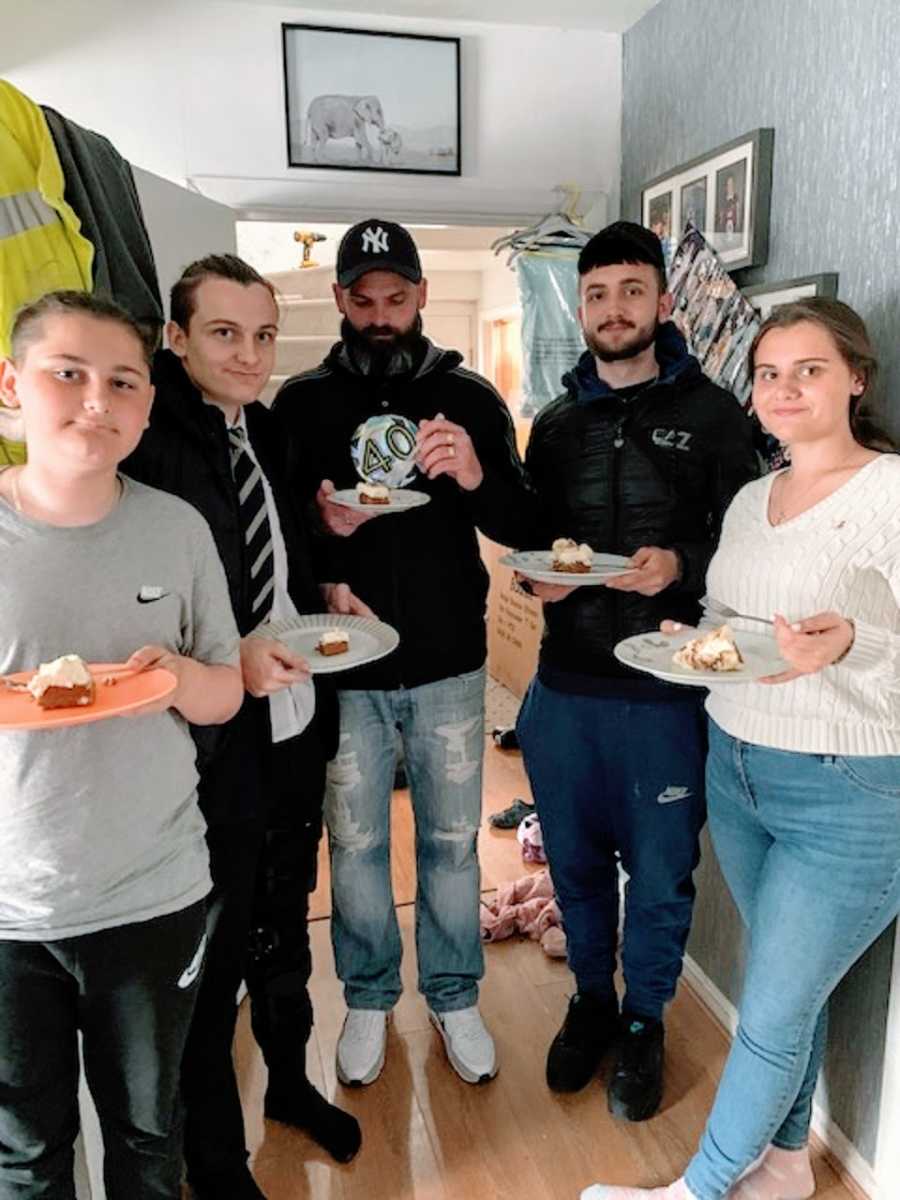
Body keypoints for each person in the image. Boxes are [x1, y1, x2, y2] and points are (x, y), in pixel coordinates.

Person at [581, 299, 900, 1200]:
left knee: (768, 1011)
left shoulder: (892, 494)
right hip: (741, 768)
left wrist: (854, 646)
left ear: (855, 379)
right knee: (782, 989)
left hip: (851, 791)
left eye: (810, 370)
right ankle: (788, 1161)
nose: (787, 388)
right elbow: (735, 622)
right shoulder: (756, 497)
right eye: (770, 373)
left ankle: (699, 1190)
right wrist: (700, 633)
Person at [468, 221, 759, 1121]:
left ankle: (645, 1023)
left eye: (632, 290)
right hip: (565, 692)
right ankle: (593, 1000)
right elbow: (537, 538)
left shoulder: (714, 415)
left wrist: (679, 562)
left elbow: (745, 540)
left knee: (664, 876)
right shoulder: (553, 426)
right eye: (597, 294)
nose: (613, 308)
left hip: (666, 697)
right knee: (579, 869)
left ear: (663, 302)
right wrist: (536, 576)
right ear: (583, 308)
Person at [123, 255, 364, 1200]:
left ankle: (292, 1085)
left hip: (289, 723)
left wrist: (322, 586)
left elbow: (273, 549)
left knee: (280, 920)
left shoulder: (264, 428)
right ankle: (215, 1164)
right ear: (176, 338)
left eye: (264, 335)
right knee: (209, 955)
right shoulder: (147, 439)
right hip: (200, 744)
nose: (250, 354)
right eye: (224, 333)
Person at [274, 218, 530, 1088]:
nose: (380, 314)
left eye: (396, 297)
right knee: (353, 846)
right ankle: (370, 996)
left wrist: (476, 478)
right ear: (340, 299)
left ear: (420, 295)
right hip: (346, 670)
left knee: (456, 844)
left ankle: (456, 995)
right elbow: (272, 539)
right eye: (363, 298)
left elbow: (524, 528)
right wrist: (322, 528)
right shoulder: (302, 402)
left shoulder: (471, 397)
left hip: (453, 663)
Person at [0, 290, 244, 1198]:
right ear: (12, 384)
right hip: (9, 913)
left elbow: (224, 694)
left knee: (148, 1140)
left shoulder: (176, 529)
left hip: (152, 896)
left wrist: (178, 678)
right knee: (25, 1156)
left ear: (148, 400)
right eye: (68, 373)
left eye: (122, 382)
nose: (96, 401)